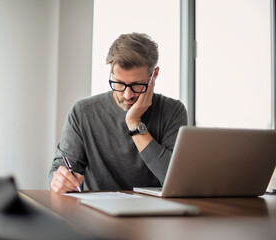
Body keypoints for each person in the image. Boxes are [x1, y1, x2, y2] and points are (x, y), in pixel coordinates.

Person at [49, 32, 187, 193]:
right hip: (98, 212)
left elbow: (174, 180)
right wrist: (58, 180)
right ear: (111, 73)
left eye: (137, 85)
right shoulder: (83, 112)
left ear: (154, 75)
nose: (127, 95)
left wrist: (134, 123)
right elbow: (59, 170)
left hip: (154, 212)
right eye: (119, 83)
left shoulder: (173, 111)